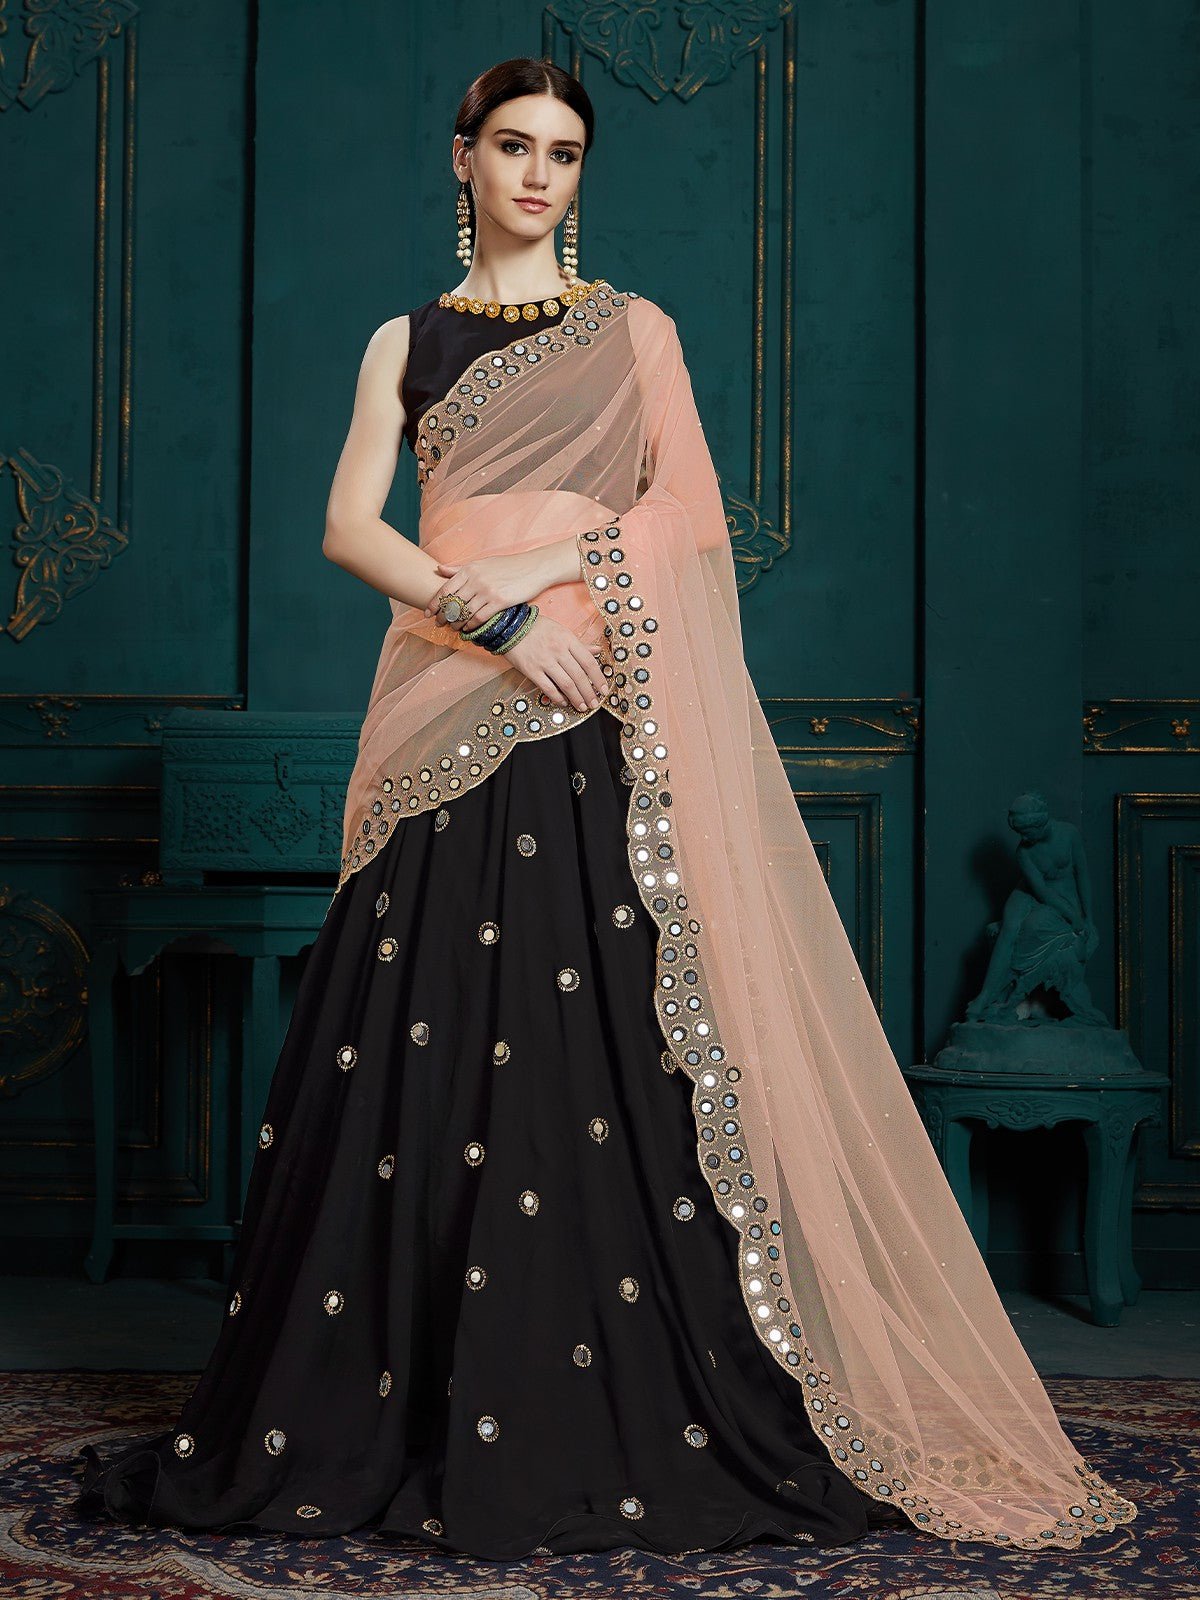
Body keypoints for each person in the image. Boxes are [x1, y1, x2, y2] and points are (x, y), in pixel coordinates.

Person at [75, 56, 1137, 1561]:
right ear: (462, 156)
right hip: (450, 710)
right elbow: (345, 527)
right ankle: (393, 1397)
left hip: (591, 717)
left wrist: (562, 583)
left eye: (563, 153)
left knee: (605, 1054)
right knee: (424, 1054)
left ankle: (618, 1394)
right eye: (512, 145)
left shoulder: (634, 331)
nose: (536, 175)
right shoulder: (404, 340)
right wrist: (494, 614)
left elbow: (686, 517)